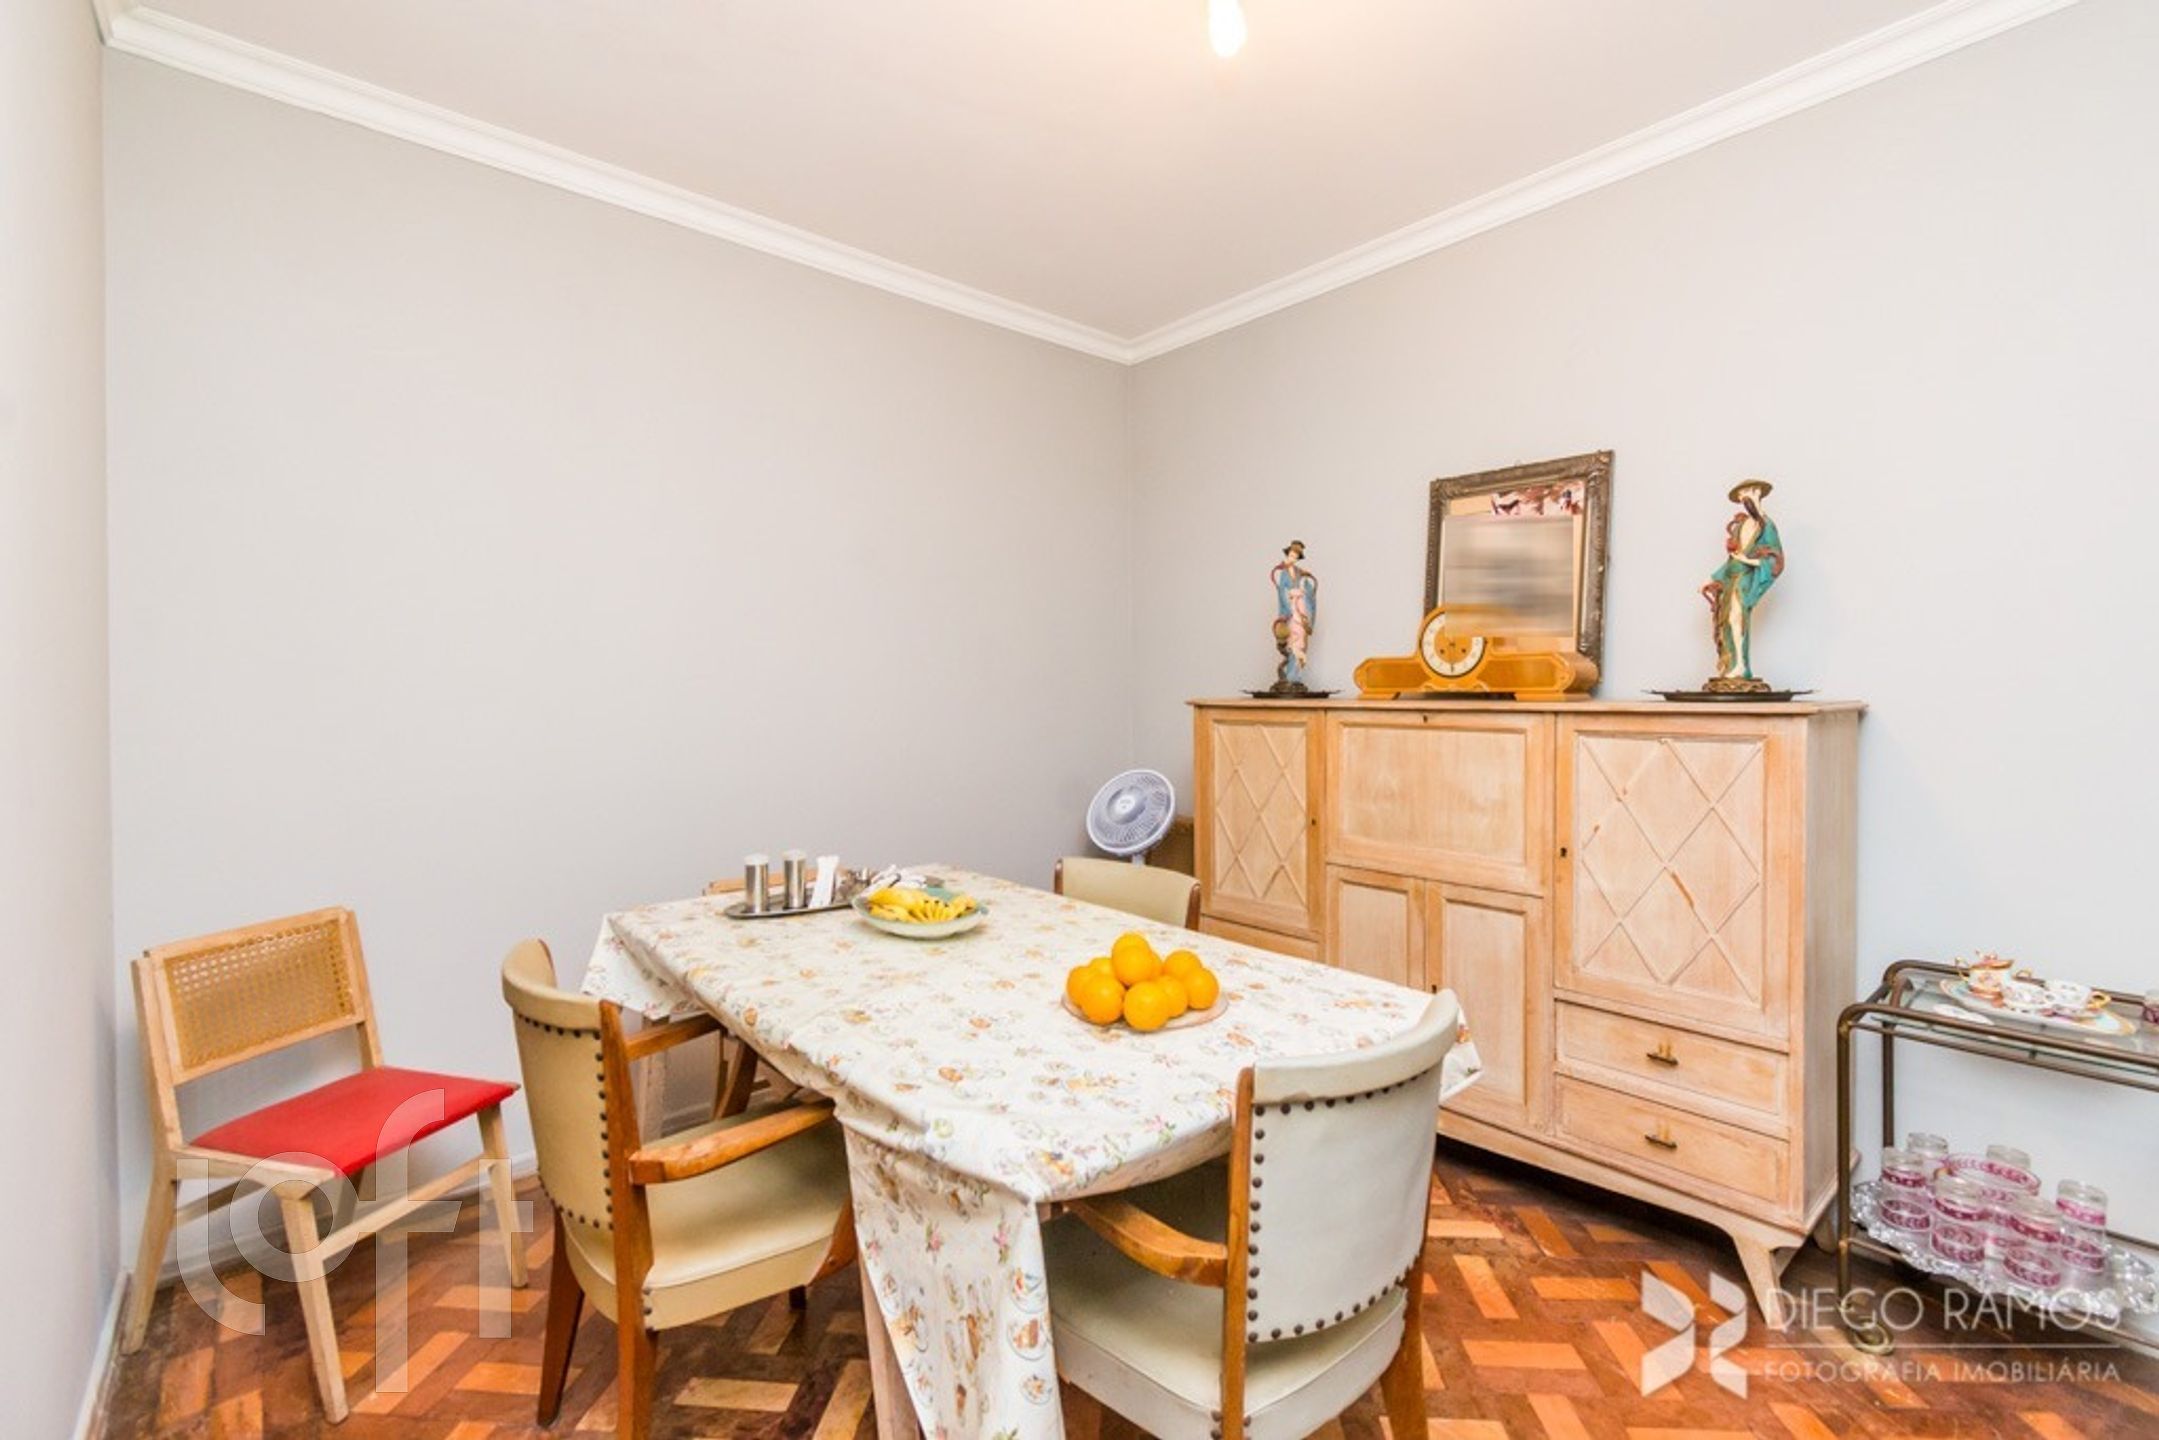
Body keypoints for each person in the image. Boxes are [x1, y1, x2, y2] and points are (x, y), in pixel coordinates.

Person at [1702, 480, 1783, 685]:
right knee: (1727, 621)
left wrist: (1749, 561)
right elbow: (1732, 560)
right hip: (1731, 580)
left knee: (1738, 617)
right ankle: (1732, 665)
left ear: (1757, 492)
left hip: (1747, 579)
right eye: (1740, 496)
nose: (1743, 498)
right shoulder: (1741, 526)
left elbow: (1775, 559)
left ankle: (1742, 666)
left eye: (1746, 493)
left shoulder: (1767, 526)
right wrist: (1713, 578)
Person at [1271, 541, 1318, 690]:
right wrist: (1290, 600)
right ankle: (1290, 676)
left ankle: (1295, 676)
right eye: (1290, 555)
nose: (1292, 558)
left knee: (1301, 641)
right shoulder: (1283, 573)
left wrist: (1305, 588)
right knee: (1292, 640)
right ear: (1287, 555)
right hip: (1291, 610)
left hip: (1300, 609)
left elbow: (1306, 586)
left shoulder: (1299, 572)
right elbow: (1282, 592)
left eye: (1295, 557)